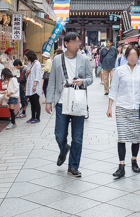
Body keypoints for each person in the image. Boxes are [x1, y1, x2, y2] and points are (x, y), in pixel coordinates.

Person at [46, 32, 94, 177]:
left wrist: (82, 82)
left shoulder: (84, 59)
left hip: (78, 101)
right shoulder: (57, 60)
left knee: (77, 137)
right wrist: (49, 101)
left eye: (78, 42)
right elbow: (52, 80)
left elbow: (90, 78)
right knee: (60, 135)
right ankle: (64, 148)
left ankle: (73, 166)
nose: (77, 44)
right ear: (66, 44)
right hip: (62, 101)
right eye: (74, 42)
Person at [107, 45, 140, 178]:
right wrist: (110, 106)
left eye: (135, 55)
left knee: (135, 137)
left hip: (137, 108)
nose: (133, 57)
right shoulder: (119, 70)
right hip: (122, 107)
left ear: (138, 57)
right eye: (130, 55)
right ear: (126, 56)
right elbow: (114, 88)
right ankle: (121, 166)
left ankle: (134, 160)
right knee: (122, 137)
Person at [25, 50, 42, 124]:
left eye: (27, 56)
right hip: (30, 85)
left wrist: (35, 85)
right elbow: (27, 75)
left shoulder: (37, 64)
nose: (26, 58)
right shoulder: (30, 64)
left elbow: (38, 75)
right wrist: (27, 72)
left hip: (34, 86)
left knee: (36, 102)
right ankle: (33, 117)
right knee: (31, 102)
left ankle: (37, 117)